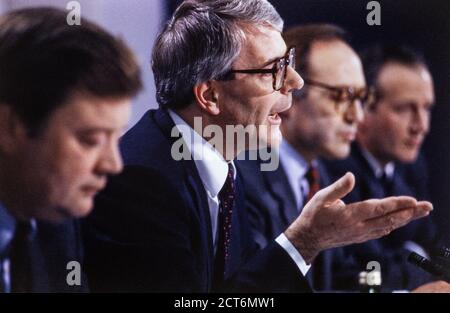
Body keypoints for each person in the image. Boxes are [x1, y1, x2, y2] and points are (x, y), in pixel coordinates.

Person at [83, 0, 431, 292]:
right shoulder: (143, 180)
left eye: (289, 64)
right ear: (210, 95)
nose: (295, 82)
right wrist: (304, 241)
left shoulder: (224, 167)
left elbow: (240, 290)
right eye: (272, 70)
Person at [0, 7, 142, 292]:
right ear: (11, 126)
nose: (113, 165)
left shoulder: (54, 221)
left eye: (116, 138)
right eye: (91, 140)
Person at [236, 24, 372, 291]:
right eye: (342, 96)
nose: (357, 115)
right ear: (290, 90)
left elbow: (341, 278)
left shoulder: (323, 175)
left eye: (361, 97)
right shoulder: (242, 178)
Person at [324, 45, 438, 291]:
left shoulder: (413, 166)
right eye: (404, 108)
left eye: (426, 108)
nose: (421, 126)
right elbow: (361, 274)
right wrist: (415, 258)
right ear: (363, 109)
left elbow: (434, 247)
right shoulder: (335, 173)